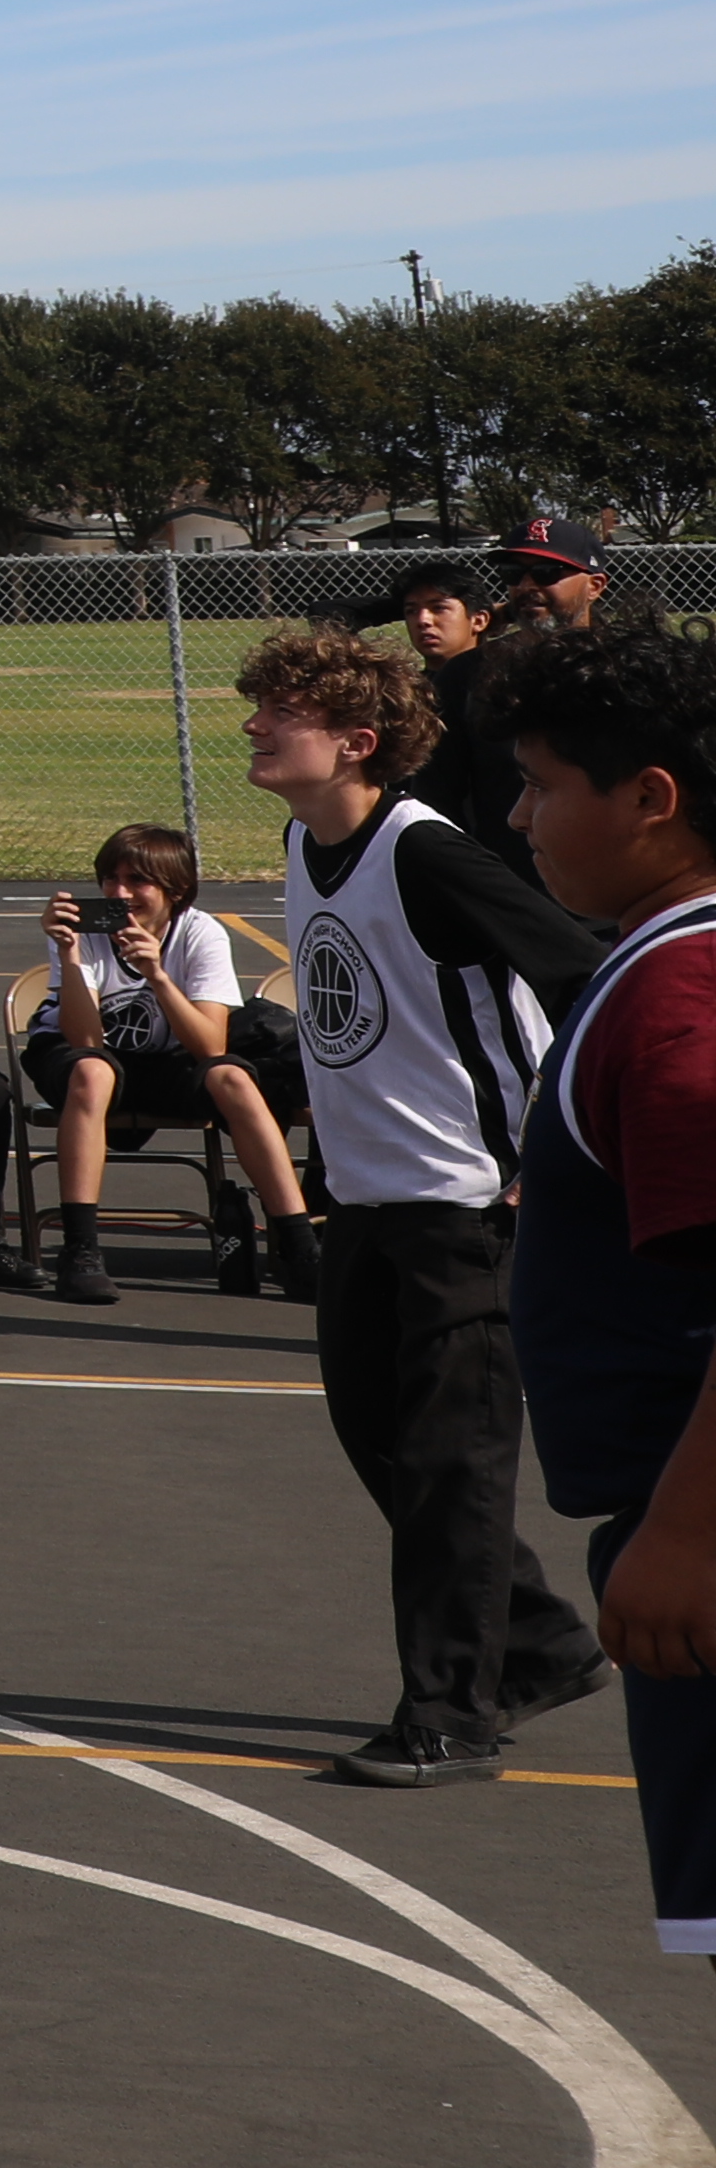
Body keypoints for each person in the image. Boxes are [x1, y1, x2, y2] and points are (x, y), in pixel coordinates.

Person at [241, 624, 618, 1786]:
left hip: (468, 1209)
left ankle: (453, 1713)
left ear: (357, 743)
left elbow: (583, 971)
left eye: (281, 710)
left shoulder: (428, 856)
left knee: (454, 1464)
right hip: (364, 1202)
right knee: (385, 1446)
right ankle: (546, 1643)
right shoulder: (308, 844)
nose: (254, 721)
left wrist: (544, 1149)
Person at [490, 608, 716, 1966]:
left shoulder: (679, 1002)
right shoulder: (658, 965)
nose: (519, 818)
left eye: (542, 784)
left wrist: (685, 1532)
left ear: (651, 798)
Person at [21, 821, 312, 1307]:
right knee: (93, 1071)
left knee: (233, 1078)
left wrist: (157, 974)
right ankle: (81, 1250)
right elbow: (87, 1040)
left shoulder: (201, 935)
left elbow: (210, 1046)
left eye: (138, 881)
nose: (120, 892)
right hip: (88, 1061)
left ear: (175, 892)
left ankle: (299, 1249)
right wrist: (70, 955)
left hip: (172, 1059)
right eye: (110, 879)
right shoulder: (85, 932)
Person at [403, 558, 521, 838]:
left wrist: (504, 613)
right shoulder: (403, 692)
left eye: (439, 607)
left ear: (479, 619)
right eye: (411, 611)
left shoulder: (503, 684)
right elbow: (329, 612)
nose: (423, 621)